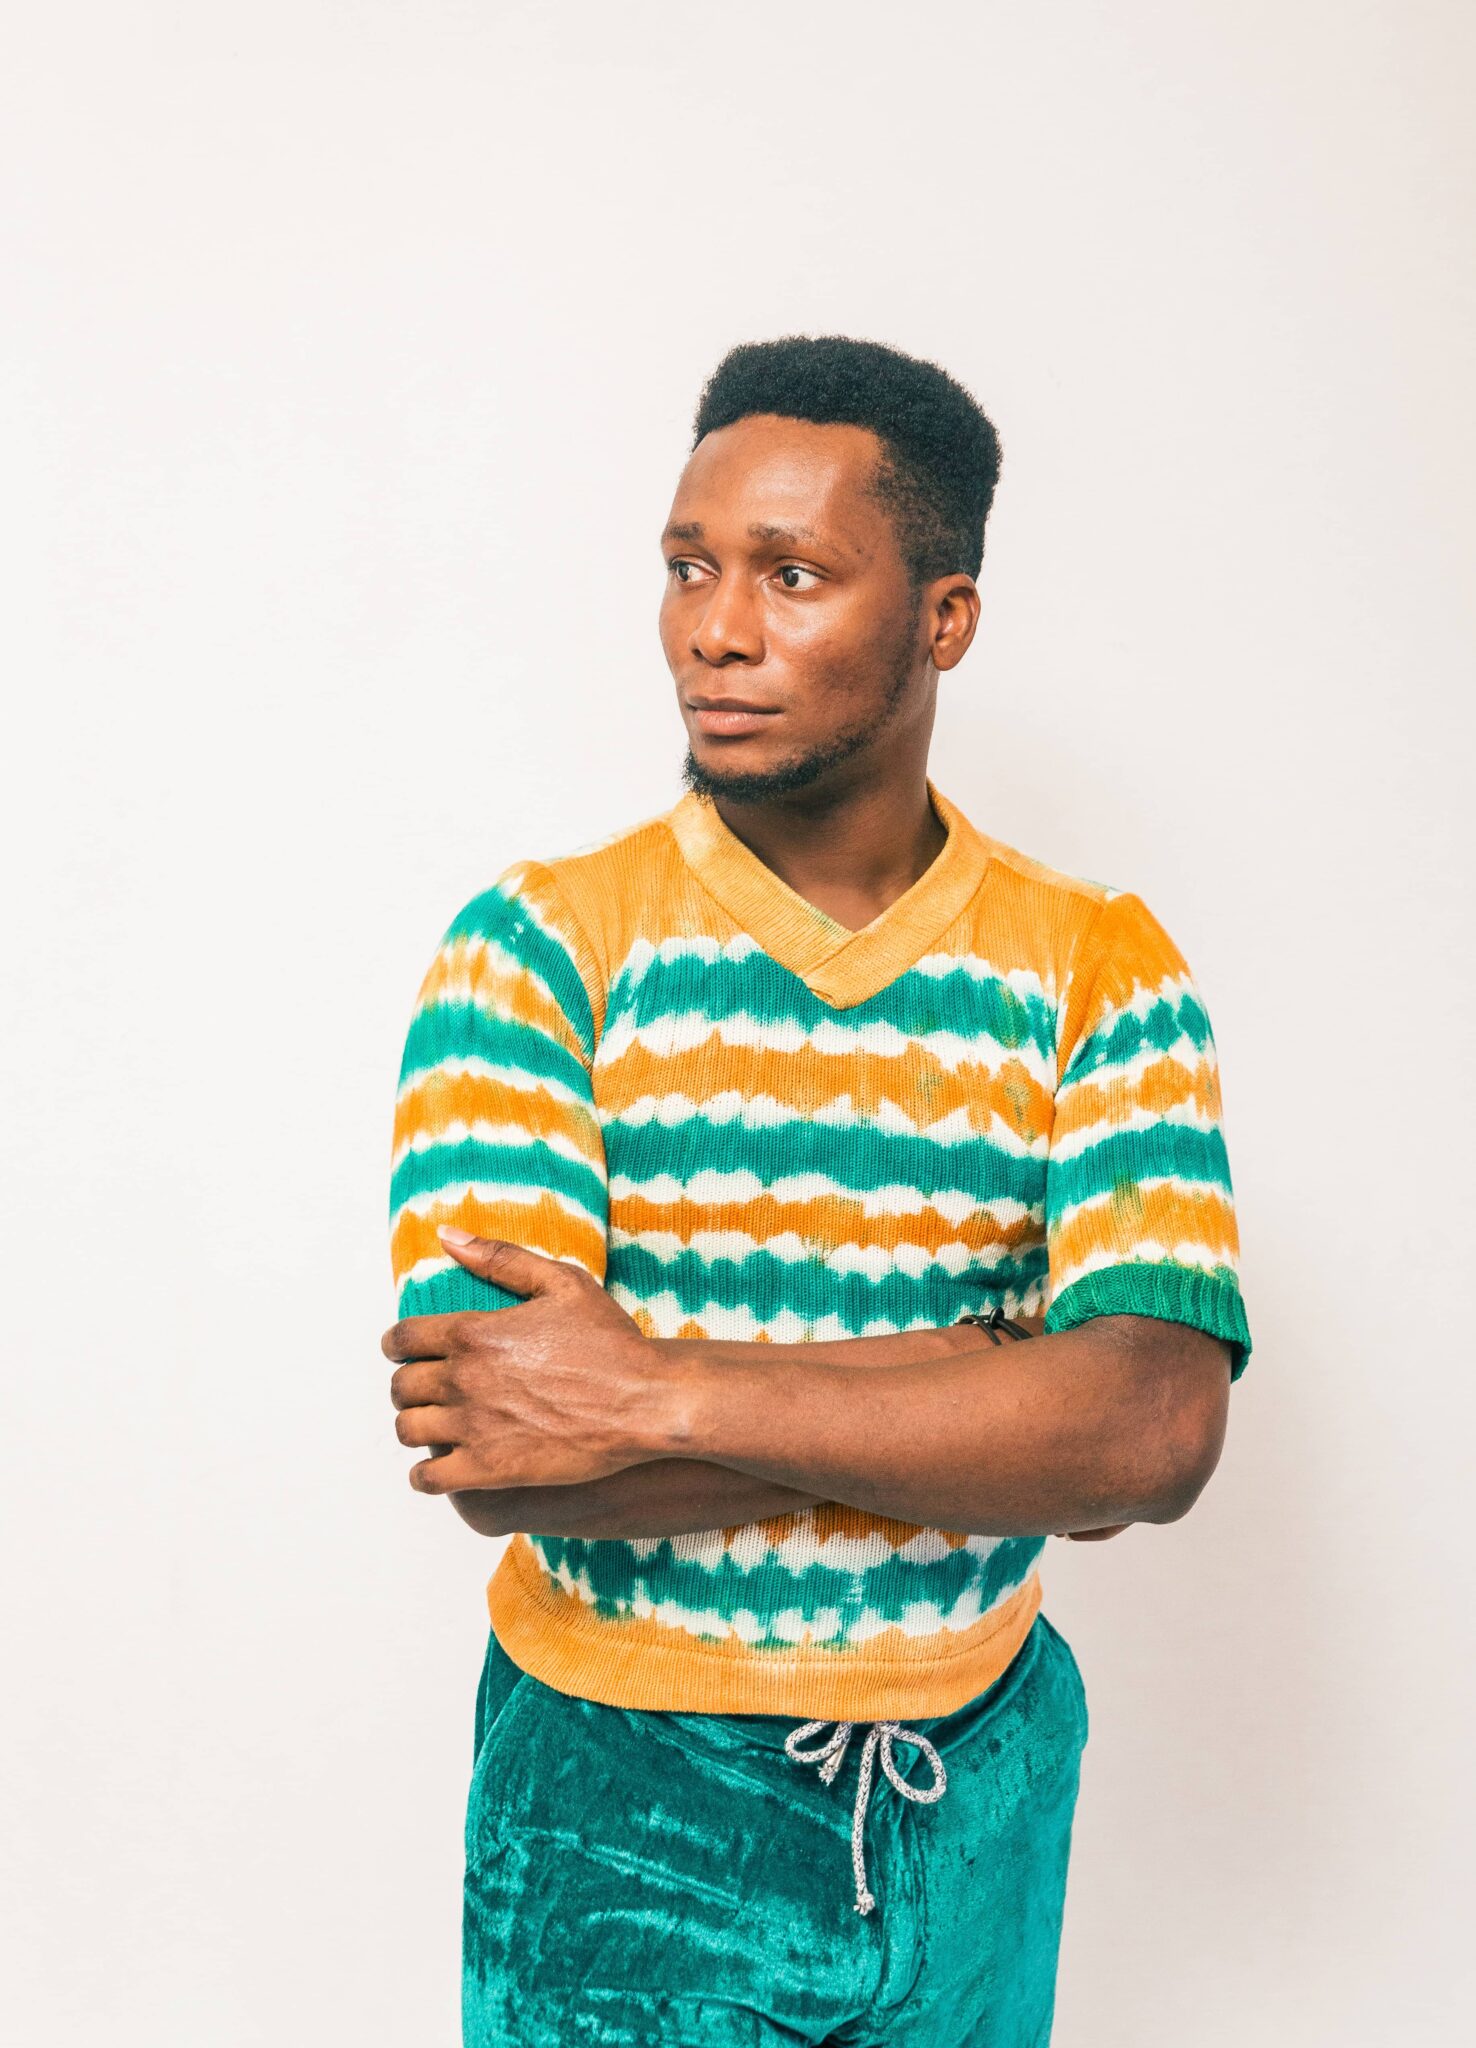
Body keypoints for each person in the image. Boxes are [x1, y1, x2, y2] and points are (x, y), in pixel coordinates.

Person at [383, 334, 1252, 2047]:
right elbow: (509, 1459)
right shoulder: (539, 948)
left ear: (944, 618)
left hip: (981, 1783)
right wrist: (973, 1388)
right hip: (621, 1803)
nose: (715, 628)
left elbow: (1152, 1429)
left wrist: (657, 1388)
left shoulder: (1099, 966)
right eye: (688, 566)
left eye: (792, 575)